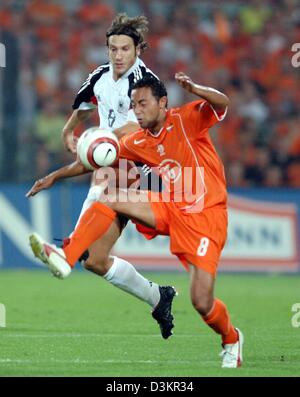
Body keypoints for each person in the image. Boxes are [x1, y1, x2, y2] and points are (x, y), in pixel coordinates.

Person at [28, 73, 244, 368]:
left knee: (201, 301)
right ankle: (67, 256)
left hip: (205, 215)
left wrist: (195, 89)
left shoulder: (186, 119)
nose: (137, 110)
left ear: (162, 103)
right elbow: (93, 160)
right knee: (110, 195)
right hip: (170, 207)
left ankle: (231, 338)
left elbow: (223, 103)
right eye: (134, 105)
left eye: (143, 104)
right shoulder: (138, 140)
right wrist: (53, 176)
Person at [28, 13, 176, 340]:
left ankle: (68, 249)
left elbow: (140, 129)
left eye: (125, 48)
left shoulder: (146, 84)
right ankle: (158, 297)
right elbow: (82, 106)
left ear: (138, 49)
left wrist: (98, 141)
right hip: (107, 162)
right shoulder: (99, 77)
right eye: (113, 48)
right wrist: (70, 133)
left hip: (139, 169)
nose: (118, 55)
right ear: (107, 49)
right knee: (95, 261)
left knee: (108, 178)